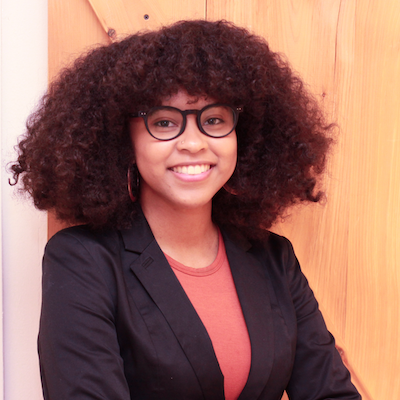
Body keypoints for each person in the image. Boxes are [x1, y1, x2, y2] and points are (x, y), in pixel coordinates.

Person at [10, 19, 361, 400]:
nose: (194, 143)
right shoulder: (83, 261)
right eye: (164, 122)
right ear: (123, 140)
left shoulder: (274, 257)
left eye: (213, 120)